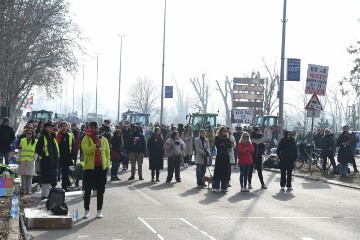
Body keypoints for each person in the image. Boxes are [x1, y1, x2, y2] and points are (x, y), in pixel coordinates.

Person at [81, 121, 110, 219]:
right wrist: (96, 146)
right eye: (93, 127)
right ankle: (86, 211)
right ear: (90, 128)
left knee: (100, 191)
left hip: (101, 169)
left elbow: (107, 154)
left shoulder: (104, 139)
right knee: (88, 190)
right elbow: (85, 151)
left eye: (96, 127)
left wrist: (107, 166)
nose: (95, 129)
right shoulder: (86, 138)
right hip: (90, 168)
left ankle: (99, 211)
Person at [35, 122, 59, 199]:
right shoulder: (42, 137)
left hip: (53, 162)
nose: (51, 128)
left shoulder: (53, 137)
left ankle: (50, 196)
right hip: (46, 162)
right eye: (49, 127)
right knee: (46, 180)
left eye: (51, 127)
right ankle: (45, 196)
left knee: (52, 180)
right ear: (45, 128)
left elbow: (55, 150)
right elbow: (37, 149)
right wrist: (45, 156)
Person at [56, 121, 75, 191]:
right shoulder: (56, 135)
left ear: (67, 127)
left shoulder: (70, 135)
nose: (64, 128)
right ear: (60, 127)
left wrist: (71, 157)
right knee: (56, 172)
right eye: (62, 126)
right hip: (58, 157)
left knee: (65, 173)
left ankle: (64, 186)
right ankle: (53, 186)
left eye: (65, 126)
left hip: (67, 157)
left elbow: (73, 147)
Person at [18, 129, 38, 195]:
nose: (29, 135)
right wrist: (18, 158)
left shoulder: (35, 141)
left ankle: (29, 190)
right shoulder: (22, 140)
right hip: (23, 160)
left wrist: (35, 158)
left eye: (30, 133)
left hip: (31, 160)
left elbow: (36, 151)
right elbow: (19, 151)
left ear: (32, 134)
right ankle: (24, 190)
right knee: (23, 176)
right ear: (26, 134)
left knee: (29, 176)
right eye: (28, 133)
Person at [212, 126, 232, 193]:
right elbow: (218, 145)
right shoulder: (217, 138)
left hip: (226, 157)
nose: (225, 132)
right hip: (220, 157)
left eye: (226, 131)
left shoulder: (227, 138)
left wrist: (224, 144)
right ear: (220, 131)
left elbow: (229, 146)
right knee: (218, 172)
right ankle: (215, 186)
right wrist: (223, 145)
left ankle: (224, 187)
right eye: (224, 130)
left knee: (225, 172)